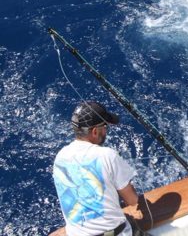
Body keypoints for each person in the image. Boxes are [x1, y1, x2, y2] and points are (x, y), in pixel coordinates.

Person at [52, 101, 143, 236]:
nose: (106, 131)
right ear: (95, 131)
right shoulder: (107, 155)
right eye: (105, 126)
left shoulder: (60, 158)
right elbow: (132, 201)